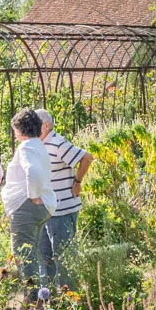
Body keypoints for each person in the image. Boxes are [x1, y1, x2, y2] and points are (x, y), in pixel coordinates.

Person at [34, 109, 92, 288]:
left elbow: (87, 158)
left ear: (45, 125)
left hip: (62, 210)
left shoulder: (57, 143)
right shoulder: (41, 144)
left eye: (34, 124)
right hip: (48, 211)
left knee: (64, 258)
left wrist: (77, 181)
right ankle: (52, 296)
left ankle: (69, 298)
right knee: (45, 256)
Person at [1, 108, 54, 283]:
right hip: (40, 206)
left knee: (23, 256)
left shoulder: (26, 147)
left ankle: (32, 303)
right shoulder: (39, 146)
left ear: (19, 129)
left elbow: (33, 170)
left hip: (27, 206)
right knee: (33, 253)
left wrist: (34, 196)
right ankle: (41, 297)